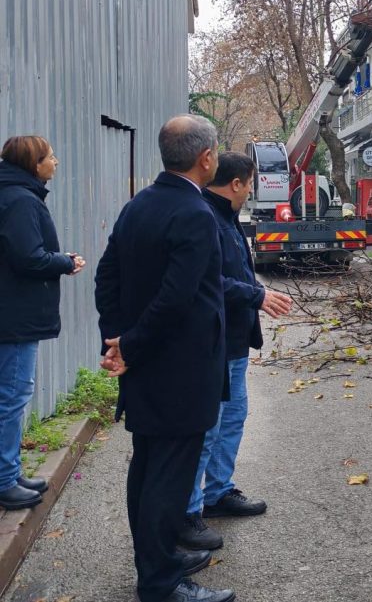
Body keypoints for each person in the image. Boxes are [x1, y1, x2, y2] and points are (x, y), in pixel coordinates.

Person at [95, 115, 234, 602]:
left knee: (149, 468)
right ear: (206, 158)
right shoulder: (194, 214)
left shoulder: (139, 205)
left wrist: (116, 339)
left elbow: (106, 275)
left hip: (147, 365)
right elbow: (177, 299)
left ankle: (159, 560)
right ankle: (159, 583)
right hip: (179, 369)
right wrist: (126, 347)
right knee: (167, 479)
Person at [179, 152, 292, 552]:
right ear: (238, 183)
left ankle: (217, 493)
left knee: (232, 419)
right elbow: (209, 282)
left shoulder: (225, 216)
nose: (251, 190)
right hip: (214, 342)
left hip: (234, 342)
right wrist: (257, 295)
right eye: (250, 183)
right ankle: (189, 512)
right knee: (208, 428)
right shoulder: (205, 218)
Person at [0, 136, 85, 510]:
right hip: (14, 317)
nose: (57, 161)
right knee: (12, 397)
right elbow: (28, 259)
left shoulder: (14, 194)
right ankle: (4, 480)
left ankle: (10, 470)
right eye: (51, 156)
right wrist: (65, 262)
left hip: (13, 313)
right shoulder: (19, 200)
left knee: (12, 395)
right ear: (35, 164)